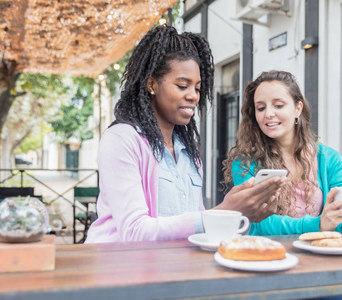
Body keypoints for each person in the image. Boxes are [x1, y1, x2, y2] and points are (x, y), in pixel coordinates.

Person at [85, 25, 285, 243]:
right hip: (119, 269)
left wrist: (241, 215)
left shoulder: (187, 149)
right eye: (182, 86)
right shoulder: (122, 140)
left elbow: (195, 228)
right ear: (152, 84)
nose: (193, 96)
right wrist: (220, 212)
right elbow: (134, 231)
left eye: (198, 88)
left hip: (175, 268)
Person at [223, 70, 342, 236]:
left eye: (278, 105)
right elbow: (257, 223)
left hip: (322, 256)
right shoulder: (246, 163)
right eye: (260, 108)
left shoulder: (330, 160)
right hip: (268, 256)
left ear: (297, 109)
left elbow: (339, 219)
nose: (268, 114)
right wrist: (319, 224)